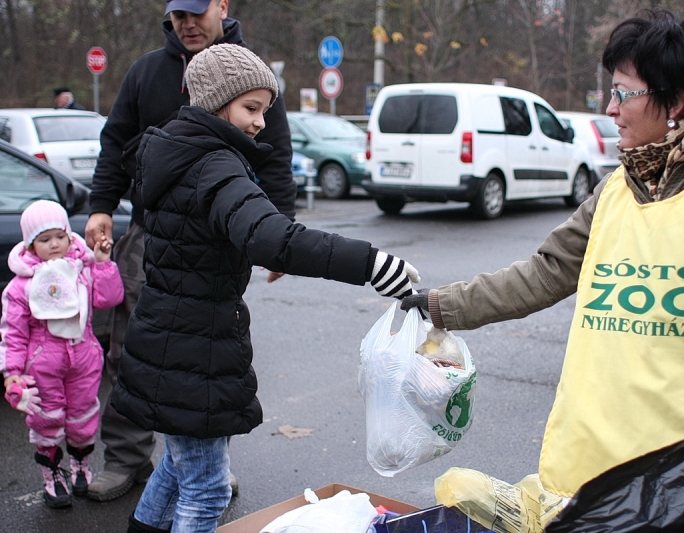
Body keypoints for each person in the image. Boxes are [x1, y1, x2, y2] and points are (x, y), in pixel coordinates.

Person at [402, 10, 684, 530]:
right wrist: (438, 306)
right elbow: (545, 272)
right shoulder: (617, 189)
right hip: (608, 472)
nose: (610, 109)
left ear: (675, 102)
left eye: (622, 93)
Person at [113, 43, 419, 533]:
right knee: (208, 486)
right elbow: (273, 238)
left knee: (178, 466)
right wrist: (371, 263)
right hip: (194, 348)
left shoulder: (175, 151)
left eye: (264, 110)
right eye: (250, 108)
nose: (259, 122)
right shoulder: (214, 164)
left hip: (170, 339)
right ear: (214, 102)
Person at [85, 0, 297, 502]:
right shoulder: (146, 72)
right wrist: (100, 206)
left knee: (207, 356)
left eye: (196, 11)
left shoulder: (254, 77)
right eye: (177, 13)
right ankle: (126, 458)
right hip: (146, 233)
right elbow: (116, 142)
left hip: (222, 243)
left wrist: (279, 234)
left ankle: (203, 458)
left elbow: (277, 154)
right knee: (131, 350)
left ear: (222, 5)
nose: (185, 22)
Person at [0, 201, 123, 508]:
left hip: (84, 355)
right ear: (30, 245)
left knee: (83, 416)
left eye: (59, 236)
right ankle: (52, 473)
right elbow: (13, 332)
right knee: (46, 419)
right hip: (42, 362)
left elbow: (109, 299)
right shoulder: (20, 286)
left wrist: (104, 263)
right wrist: (11, 372)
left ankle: (81, 465)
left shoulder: (82, 270)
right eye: (44, 239)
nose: (54, 244)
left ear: (69, 236)